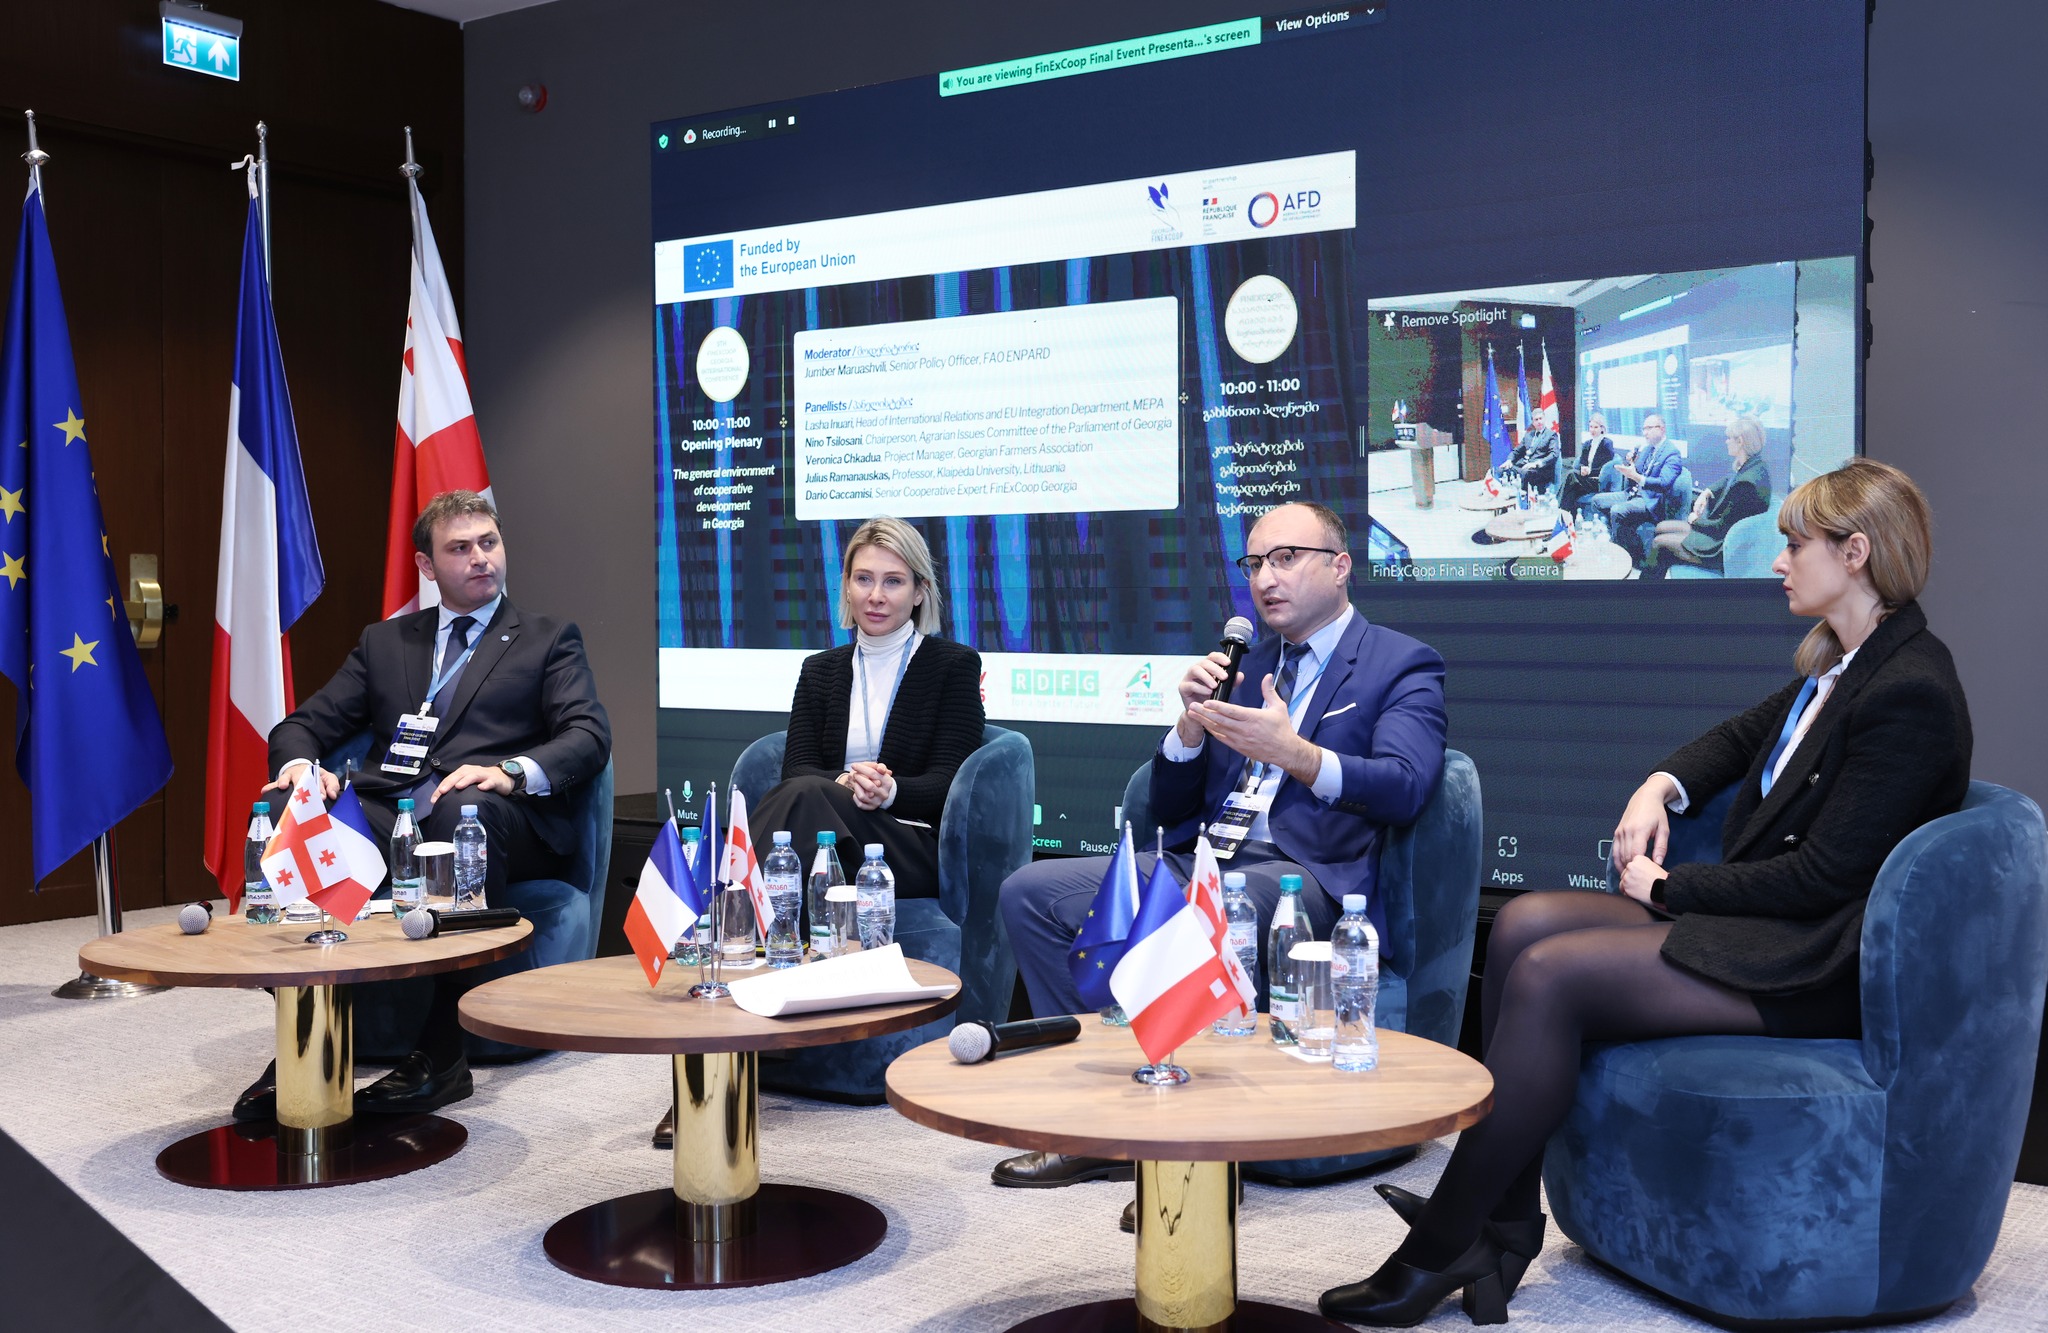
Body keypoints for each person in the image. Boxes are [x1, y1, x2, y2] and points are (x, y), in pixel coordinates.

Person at [1318, 459, 1970, 1326]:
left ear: (1856, 553)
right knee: (1523, 922)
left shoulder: (1909, 688)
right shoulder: (1841, 663)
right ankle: (1504, 1223)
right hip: (1782, 927)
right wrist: (1656, 785)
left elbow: (1825, 877)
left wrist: (1670, 885)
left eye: (1794, 545)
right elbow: (1737, 739)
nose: (1778, 562)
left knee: (1552, 973)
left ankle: (1442, 1242)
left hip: (1815, 960)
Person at [991, 500, 1447, 1203]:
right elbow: (1170, 807)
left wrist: (1296, 754)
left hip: (1302, 876)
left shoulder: (1400, 662)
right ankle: (1100, 1125)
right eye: (1255, 563)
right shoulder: (1245, 664)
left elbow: (1407, 785)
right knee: (1030, 894)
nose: (1266, 578)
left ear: (1340, 566)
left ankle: (1201, 1152)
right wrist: (1189, 729)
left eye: (1286, 558)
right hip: (1205, 856)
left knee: (1216, 909)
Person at [235, 490, 611, 1121]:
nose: (481, 558)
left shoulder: (546, 639)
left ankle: (442, 1054)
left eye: (489, 542)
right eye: (460, 548)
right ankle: (305, 1037)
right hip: (394, 808)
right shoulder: (385, 642)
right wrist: (301, 769)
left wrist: (509, 771)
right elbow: (301, 726)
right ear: (427, 566)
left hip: (497, 817)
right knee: (290, 815)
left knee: (463, 811)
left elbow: (588, 734)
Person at [652, 515, 982, 1147]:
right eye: (864, 579)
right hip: (822, 838)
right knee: (803, 795)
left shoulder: (951, 665)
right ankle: (722, 1032)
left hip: (902, 847)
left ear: (920, 591)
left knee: (802, 799)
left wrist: (890, 790)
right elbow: (798, 767)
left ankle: (709, 922)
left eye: (894, 581)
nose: (876, 595)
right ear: (846, 587)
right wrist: (846, 783)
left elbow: (953, 781)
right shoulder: (821, 670)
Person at [1643, 414, 1773, 578]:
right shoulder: (1755, 466)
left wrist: (1696, 520)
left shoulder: (1746, 484)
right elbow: (1728, 480)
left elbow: (1721, 525)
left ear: (1740, 441)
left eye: (1729, 438)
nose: (1726, 441)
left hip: (1719, 547)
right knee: (1661, 527)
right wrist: (1707, 492)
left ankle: (1644, 588)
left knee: (1659, 543)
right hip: (1720, 536)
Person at [1580, 413, 1683, 563]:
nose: (1645, 433)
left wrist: (1637, 477)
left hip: (1650, 500)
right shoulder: (1648, 449)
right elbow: (1637, 471)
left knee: (1617, 510)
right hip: (1632, 493)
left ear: (1662, 429)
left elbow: (1664, 483)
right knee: (1597, 500)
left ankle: (1631, 556)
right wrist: (1631, 465)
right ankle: (1613, 539)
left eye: (1648, 428)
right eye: (1644, 429)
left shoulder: (1672, 453)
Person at [1555, 412, 1616, 515]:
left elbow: (1606, 466)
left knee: (1571, 474)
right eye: (1591, 427)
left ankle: (1558, 508)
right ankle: (1566, 515)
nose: (1592, 430)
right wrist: (1583, 468)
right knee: (1572, 490)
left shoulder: (1607, 443)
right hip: (1585, 479)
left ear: (1602, 428)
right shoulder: (1587, 444)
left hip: (1597, 480)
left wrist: (1590, 471)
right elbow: (1582, 461)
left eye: (1595, 427)